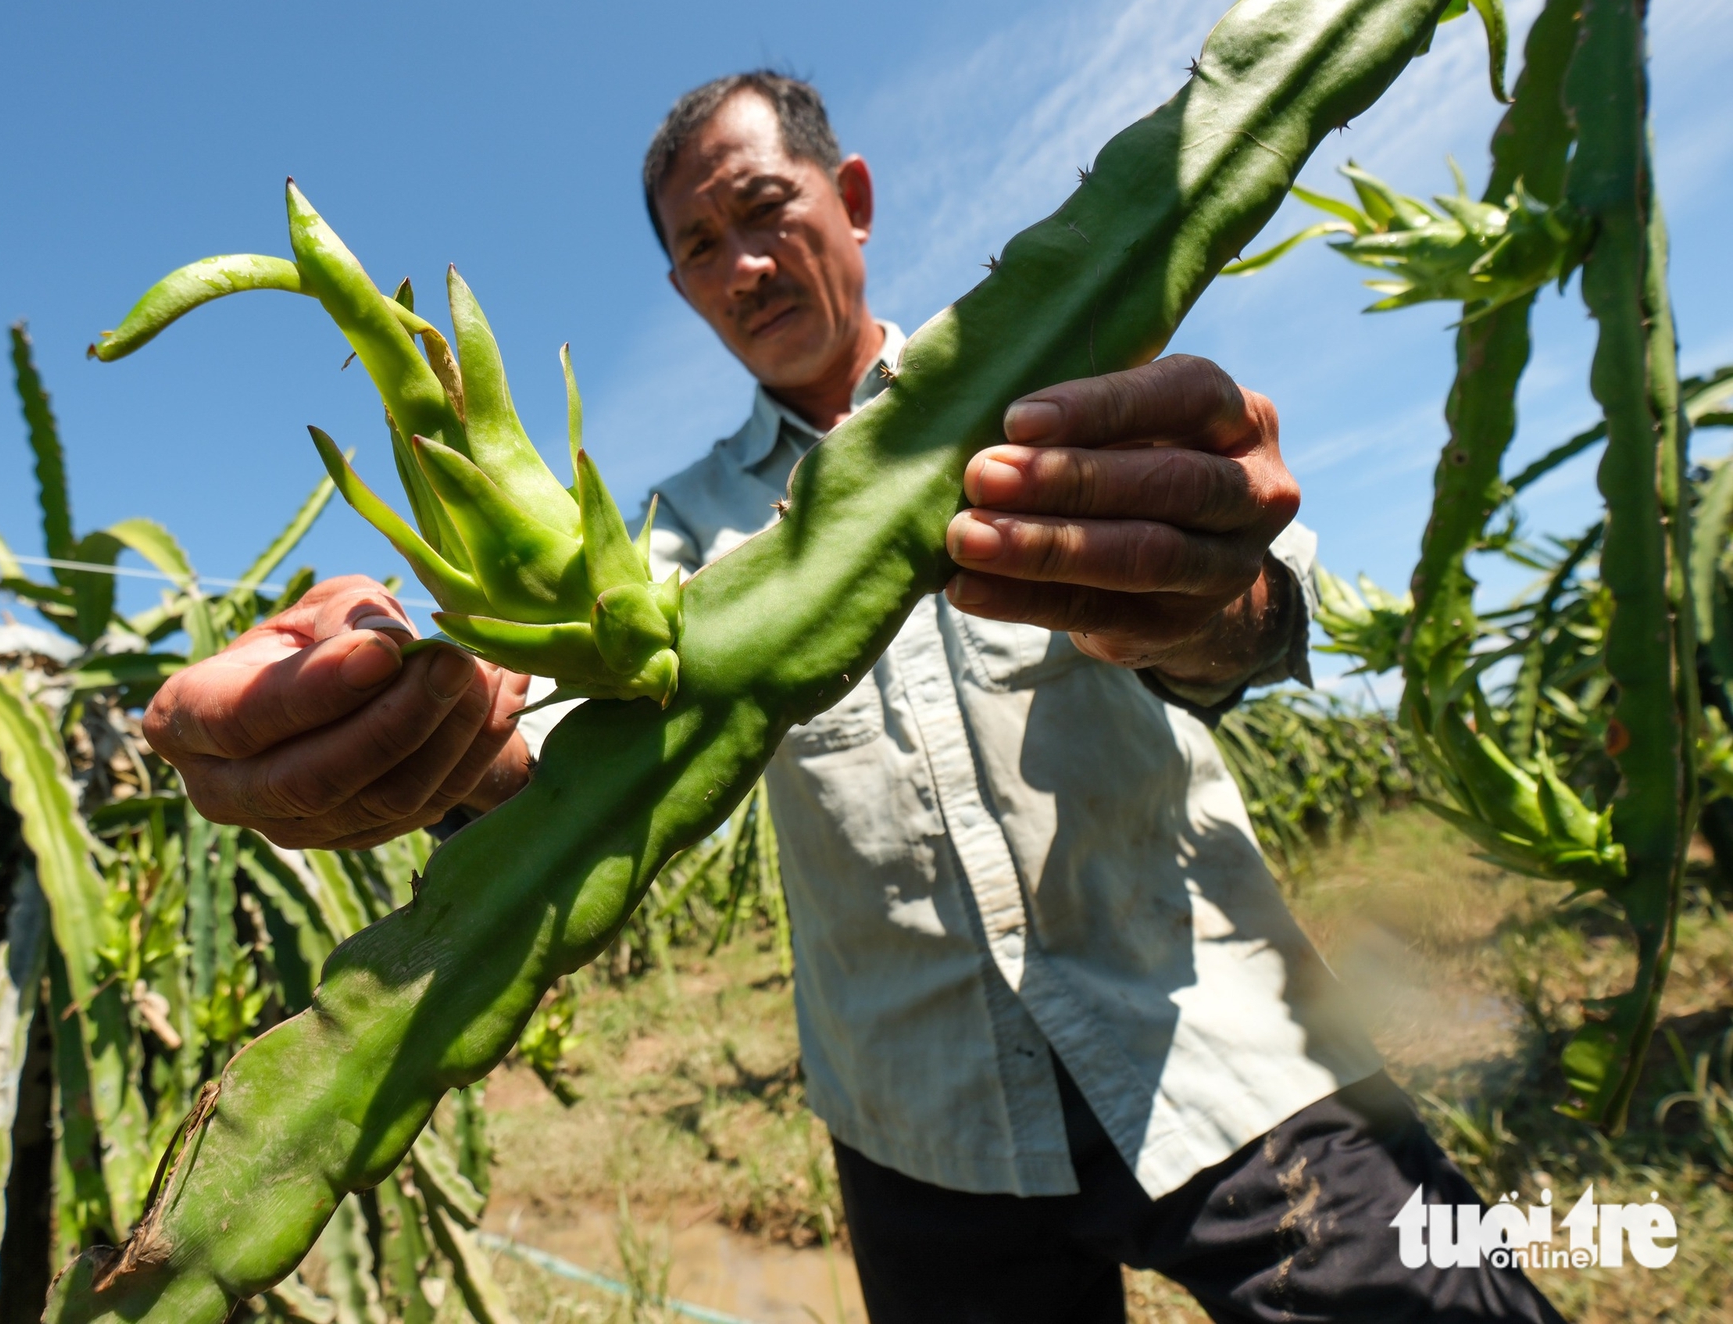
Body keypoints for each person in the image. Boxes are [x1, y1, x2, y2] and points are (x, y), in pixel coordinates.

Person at [145, 72, 1564, 1323]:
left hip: (1227, 1050)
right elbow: (566, 735)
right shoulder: (672, 534)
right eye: (702, 248)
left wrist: (1215, 592)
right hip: (918, 1129)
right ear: (685, 292)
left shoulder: (1042, 368)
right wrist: (434, 712)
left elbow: (1266, 608)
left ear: (854, 197)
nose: (745, 262)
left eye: (764, 209)